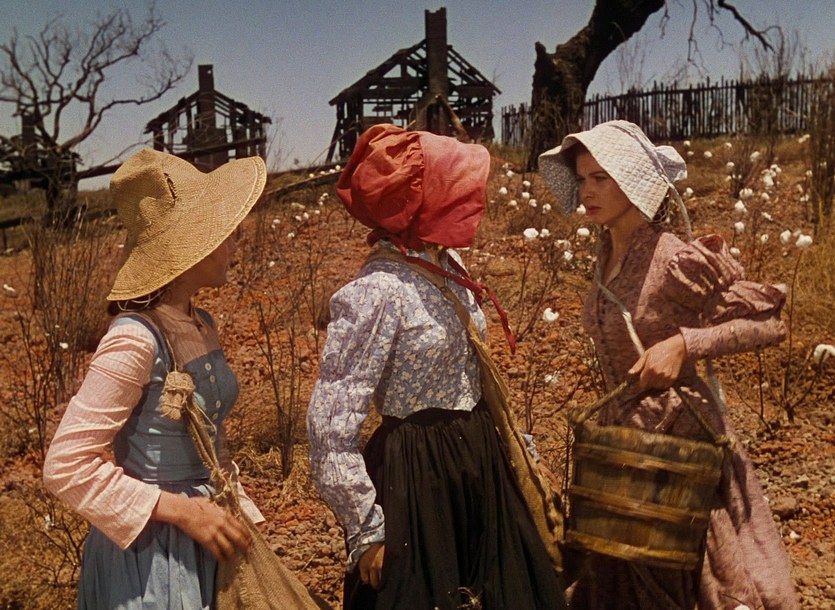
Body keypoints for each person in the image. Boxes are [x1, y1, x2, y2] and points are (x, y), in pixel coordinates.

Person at [539, 119, 798, 609]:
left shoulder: (674, 259)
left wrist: (684, 344)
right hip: (623, 446)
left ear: (633, 182)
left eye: (601, 178)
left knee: (689, 576)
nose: (587, 191)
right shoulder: (605, 253)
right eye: (583, 178)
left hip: (678, 443)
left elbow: (768, 324)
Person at [307, 123, 566, 610]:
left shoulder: (447, 265)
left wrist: (517, 448)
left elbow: (471, 372)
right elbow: (330, 426)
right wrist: (367, 530)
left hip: (480, 461)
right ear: (421, 202)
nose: (472, 201)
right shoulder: (377, 292)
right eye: (456, 190)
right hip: (418, 477)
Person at [43, 148, 268, 609]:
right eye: (221, 231)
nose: (233, 240)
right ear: (191, 246)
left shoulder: (201, 323)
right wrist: (184, 512)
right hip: (153, 554)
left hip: (208, 531)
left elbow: (212, 444)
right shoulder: (134, 339)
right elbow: (65, 465)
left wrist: (237, 510)